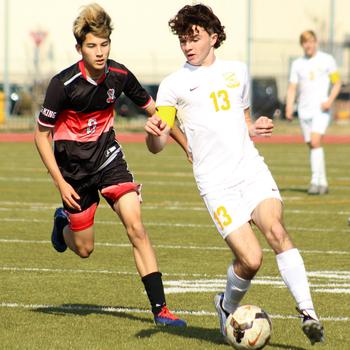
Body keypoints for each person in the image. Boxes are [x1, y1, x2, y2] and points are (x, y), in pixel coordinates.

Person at [144, 4, 324, 345]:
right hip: (216, 184)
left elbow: (241, 123)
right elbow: (158, 143)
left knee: (276, 230)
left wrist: (253, 128)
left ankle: (309, 313)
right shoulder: (173, 85)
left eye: (193, 38)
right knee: (251, 260)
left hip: (250, 170)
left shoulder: (237, 72)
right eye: (183, 40)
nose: (187, 46)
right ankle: (225, 305)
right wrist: (154, 132)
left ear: (214, 37)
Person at [34, 3, 186, 328]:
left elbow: (158, 113)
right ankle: (61, 227)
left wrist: (188, 148)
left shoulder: (119, 75)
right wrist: (61, 183)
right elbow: (41, 136)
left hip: (108, 160)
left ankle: (161, 310)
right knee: (85, 249)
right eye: (92, 46)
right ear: (80, 48)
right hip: (73, 173)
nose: (99, 52)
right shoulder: (63, 85)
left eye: (104, 44)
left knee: (137, 227)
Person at [286, 30, 341, 195]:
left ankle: (315, 181)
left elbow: (337, 82)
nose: (308, 45)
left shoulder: (327, 60)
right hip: (304, 110)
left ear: (316, 42)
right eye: (305, 42)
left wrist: (329, 101)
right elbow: (292, 87)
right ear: (302, 44)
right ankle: (322, 183)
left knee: (316, 141)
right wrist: (289, 106)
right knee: (312, 145)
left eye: (310, 41)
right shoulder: (297, 64)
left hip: (321, 109)